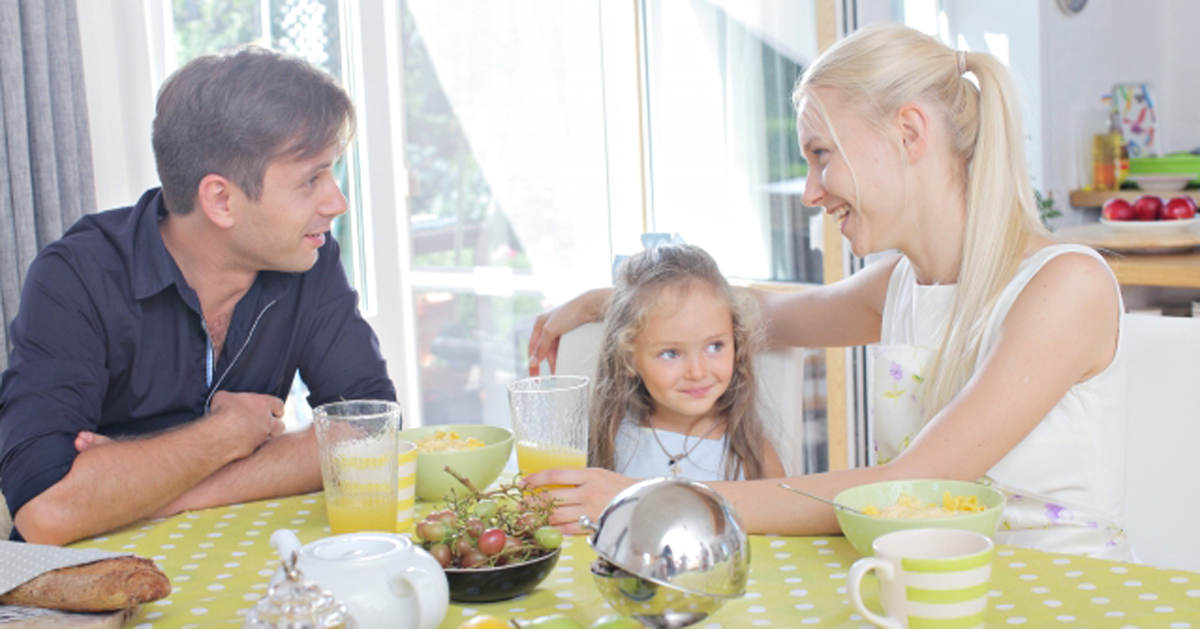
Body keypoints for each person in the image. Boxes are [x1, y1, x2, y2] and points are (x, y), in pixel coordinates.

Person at [525, 22, 1130, 560]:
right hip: (926, 585)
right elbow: (742, 312)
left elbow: (912, 487)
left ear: (908, 132)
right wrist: (611, 302)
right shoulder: (897, 285)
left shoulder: (1064, 287)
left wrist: (650, 497)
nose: (811, 192)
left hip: (1062, 596)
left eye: (821, 155)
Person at [0, 47, 395, 545]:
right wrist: (229, 434)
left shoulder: (309, 260)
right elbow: (46, 510)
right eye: (311, 179)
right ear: (220, 200)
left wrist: (145, 491)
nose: (336, 202)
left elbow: (370, 433)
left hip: (232, 560)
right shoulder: (77, 276)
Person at [590, 243, 785, 481]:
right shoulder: (613, 440)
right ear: (628, 359)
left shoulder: (754, 453)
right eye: (671, 353)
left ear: (737, 342)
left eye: (715, 347)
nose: (697, 372)